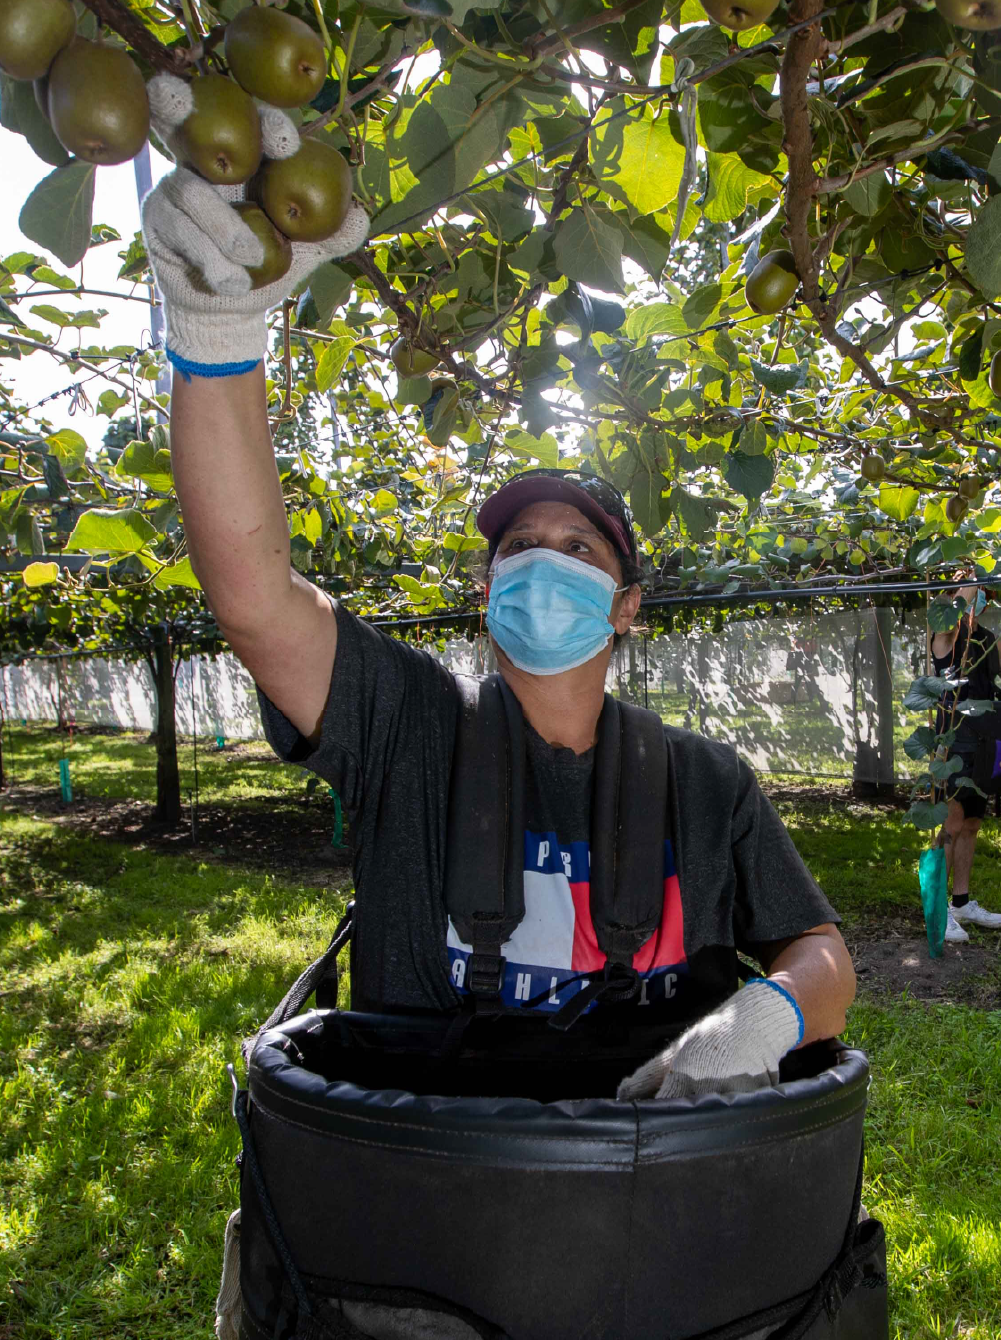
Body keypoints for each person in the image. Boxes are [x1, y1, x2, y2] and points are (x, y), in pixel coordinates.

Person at [142, 84, 855, 1097]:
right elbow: (256, 598)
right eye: (521, 543)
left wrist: (763, 1015)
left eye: (580, 548)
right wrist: (216, 342)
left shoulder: (704, 782)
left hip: (644, 1201)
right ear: (487, 590)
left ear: (625, 604)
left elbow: (824, 953)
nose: (543, 560)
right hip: (436, 1202)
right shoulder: (410, 727)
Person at [930, 583, 1001, 943]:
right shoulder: (945, 636)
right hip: (953, 742)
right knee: (951, 824)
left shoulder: (988, 638)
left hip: (985, 743)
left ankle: (961, 904)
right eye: (977, 591)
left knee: (971, 823)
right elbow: (953, 614)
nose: (982, 598)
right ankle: (936, 910)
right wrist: (974, 574)